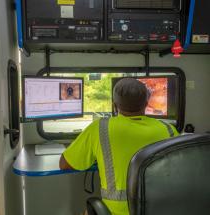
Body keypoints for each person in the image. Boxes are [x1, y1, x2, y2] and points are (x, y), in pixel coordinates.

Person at [59, 78, 178, 215]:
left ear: (114, 105)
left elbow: (65, 164)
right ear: (146, 103)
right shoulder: (168, 129)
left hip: (115, 211)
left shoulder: (99, 128)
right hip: (159, 208)